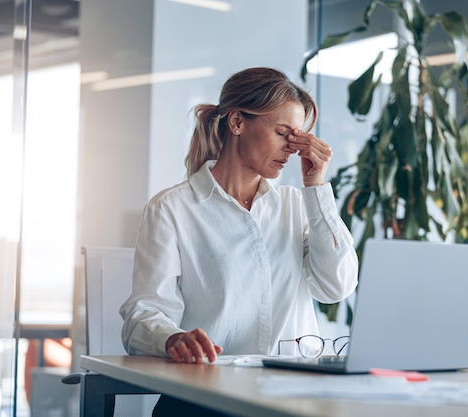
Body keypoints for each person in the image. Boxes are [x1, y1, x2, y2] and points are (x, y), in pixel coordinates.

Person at [119, 67, 358, 416]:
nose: (292, 148)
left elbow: (336, 288)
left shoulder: (297, 205)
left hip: (289, 398)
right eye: (282, 133)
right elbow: (143, 315)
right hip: (205, 395)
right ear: (236, 123)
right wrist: (172, 338)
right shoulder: (172, 208)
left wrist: (317, 189)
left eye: (299, 137)